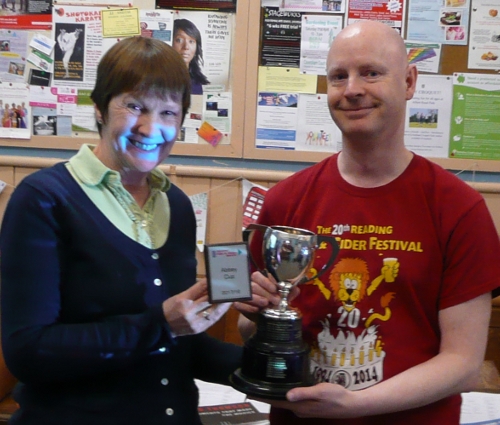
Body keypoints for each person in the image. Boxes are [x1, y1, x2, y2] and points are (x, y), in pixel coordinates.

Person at [234, 20, 500, 424]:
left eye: (371, 73)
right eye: (338, 76)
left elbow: (463, 362)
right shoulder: (285, 201)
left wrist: (354, 406)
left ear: (409, 82)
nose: (352, 89)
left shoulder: (458, 208)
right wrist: (257, 316)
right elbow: (246, 329)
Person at [0, 36, 247, 425]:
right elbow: (28, 352)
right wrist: (160, 324)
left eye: (169, 112)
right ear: (99, 108)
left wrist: (272, 364)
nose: (151, 128)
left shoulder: (177, 205)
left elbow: (178, 345)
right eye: (135, 106)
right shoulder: (44, 200)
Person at [172, 19, 209, 95]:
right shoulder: (156, 79)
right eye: (179, 40)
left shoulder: (198, 83)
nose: (186, 47)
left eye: (191, 41)